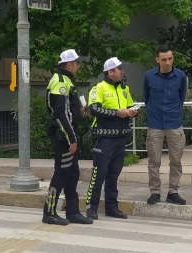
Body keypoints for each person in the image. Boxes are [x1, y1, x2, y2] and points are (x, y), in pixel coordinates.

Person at [42, 49, 93, 226]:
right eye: (77, 63)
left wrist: (79, 110)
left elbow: (67, 111)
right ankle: (49, 212)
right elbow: (60, 114)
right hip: (63, 136)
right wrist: (72, 139)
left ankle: (73, 212)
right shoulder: (61, 82)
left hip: (68, 134)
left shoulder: (67, 81)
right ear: (69, 64)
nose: (78, 66)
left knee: (72, 173)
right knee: (61, 174)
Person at [85, 57, 138, 220]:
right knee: (98, 174)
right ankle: (91, 207)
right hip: (104, 138)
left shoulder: (124, 89)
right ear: (110, 71)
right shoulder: (98, 88)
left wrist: (134, 111)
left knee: (113, 175)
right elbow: (93, 109)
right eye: (119, 69)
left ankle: (111, 207)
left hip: (120, 138)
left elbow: (129, 106)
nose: (122, 71)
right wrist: (117, 113)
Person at [143, 45, 188, 205]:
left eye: (170, 58)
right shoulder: (149, 76)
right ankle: (155, 192)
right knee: (154, 161)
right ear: (157, 60)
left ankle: (173, 192)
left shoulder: (181, 76)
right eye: (164, 59)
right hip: (155, 124)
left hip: (174, 124)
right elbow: (146, 98)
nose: (167, 62)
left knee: (176, 160)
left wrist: (174, 112)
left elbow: (181, 98)